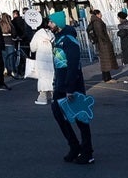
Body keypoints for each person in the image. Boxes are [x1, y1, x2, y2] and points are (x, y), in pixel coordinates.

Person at [49, 19, 93, 164]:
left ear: (58, 23)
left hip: (71, 85)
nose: (49, 24)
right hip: (60, 84)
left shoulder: (69, 39)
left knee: (80, 118)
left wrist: (70, 88)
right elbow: (58, 64)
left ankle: (87, 152)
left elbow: (73, 64)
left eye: (51, 22)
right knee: (58, 114)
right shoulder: (58, 39)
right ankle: (74, 146)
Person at [29, 16, 57, 105]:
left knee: (42, 77)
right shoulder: (51, 34)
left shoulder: (38, 34)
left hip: (41, 58)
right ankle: (54, 96)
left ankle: (42, 97)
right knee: (52, 76)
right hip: (50, 57)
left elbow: (33, 48)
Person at [86, 12, 116, 82]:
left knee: (104, 61)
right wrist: (106, 40)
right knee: (106, 61)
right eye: (100, 13)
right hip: (103, 43)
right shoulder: (97, 22)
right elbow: (100, 33)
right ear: (97, 14)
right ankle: (107, 78)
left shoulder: (95, 21)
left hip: (100, 42)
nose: (101, 15)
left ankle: (106, 77)